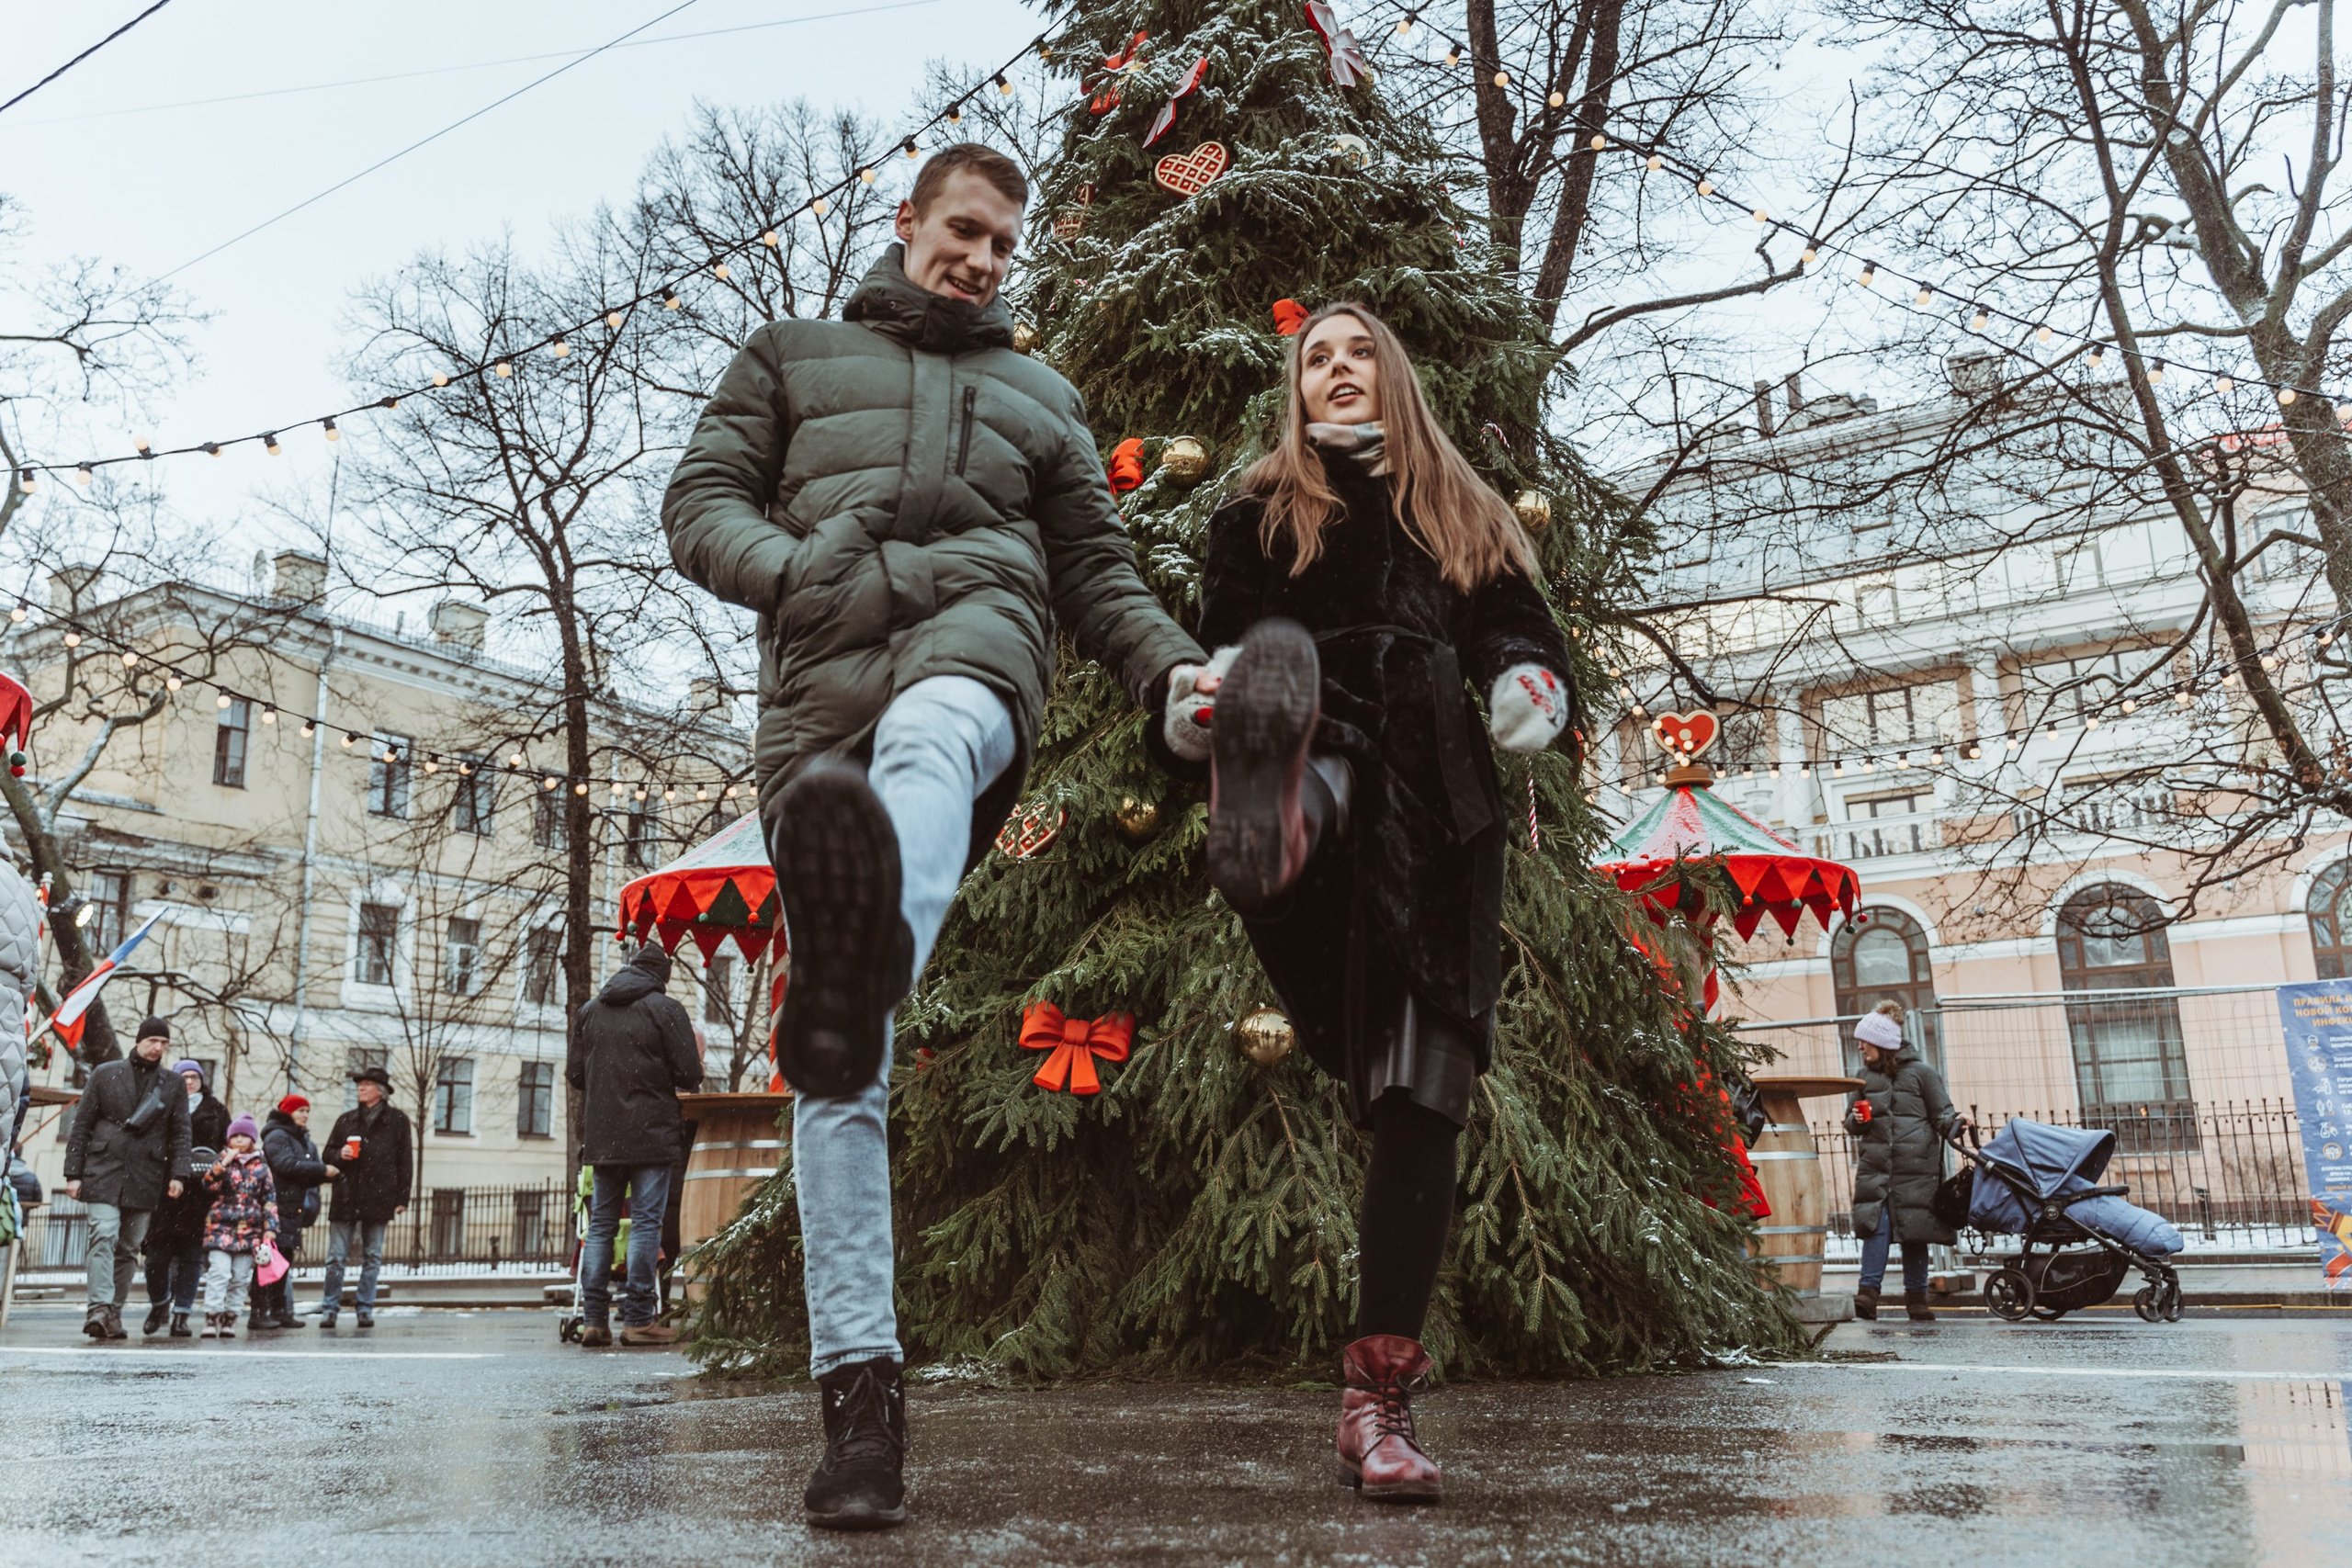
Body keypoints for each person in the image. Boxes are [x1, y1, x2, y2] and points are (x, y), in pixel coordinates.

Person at [662, 142, 1203, 1530]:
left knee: (932, 737)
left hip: (974, 656)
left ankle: (863, 954)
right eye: (963, 230)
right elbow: (698, 503)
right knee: (842, 1079)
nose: (980, 258)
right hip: (813, 708)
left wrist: (1173, 675)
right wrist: (790, 569)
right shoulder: (788, 355)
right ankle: (861, 1412)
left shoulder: (1043, 398)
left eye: (1003, 245)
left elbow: (1094, 570)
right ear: (908, 223)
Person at [1165, 303, 1572, 1504]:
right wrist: (1211, 694)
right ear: (1296, 388)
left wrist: (1525, 680)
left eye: (1355, 353)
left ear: (1390, 374)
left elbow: (1514, 621)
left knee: (1422, 1086)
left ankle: (1376, 1401)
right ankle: (1278, 814)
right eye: (1315, 358)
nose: (1336, 370)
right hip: (1320, 747)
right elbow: (1223, 635)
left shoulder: (1461, 502)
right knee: (1304, 722)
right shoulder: (1260, 505)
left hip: (1438, 808)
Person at [566, 942, 701, 1348]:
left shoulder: (590, 1011)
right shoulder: (666, 1009)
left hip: (603, 1136)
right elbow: (690, 1073)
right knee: (646, 1223)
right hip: (651, 1133)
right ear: (663, 975)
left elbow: (575, 1074)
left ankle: (594, 1320)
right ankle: (640, 1319)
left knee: (602, 1225)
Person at [62, 1016, 192, 1339]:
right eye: (153, 1041)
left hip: (147, 1173)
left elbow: (180, 1133)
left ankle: (113, 1313)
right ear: (139, 1040)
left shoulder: (172, 1084)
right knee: (103, 1234)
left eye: (164, 1043)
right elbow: (82, 1125)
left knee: (130, 1247)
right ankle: (99, 1307)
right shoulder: (106, 1074)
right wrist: (73, 1173)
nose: (158, 1048)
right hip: (102, 1170)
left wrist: (179, 1174)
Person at [1846, 1001, 1967, 1322]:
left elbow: (1942, 1113)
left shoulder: (1923, 1074)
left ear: (1883, 1043)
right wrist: (1857, 1120)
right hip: (1877, 1168)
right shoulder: (1861, 1079)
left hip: (1916, 1169)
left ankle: (1917, 1299)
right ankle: (1867, 1296)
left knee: (1915, 1232)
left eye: (1864, 1040)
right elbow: (1851, 1124)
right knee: (1876, 1227)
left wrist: (1957, 1123)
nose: (1859, 1046)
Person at [317, 1065, 411, 1329]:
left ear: (379, 1092)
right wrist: (340, 1154)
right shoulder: (346, 1120)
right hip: (347, 1194)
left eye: (366, 1084)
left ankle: (365, 1308)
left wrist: (402, 1196)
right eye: (359, 1084)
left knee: (372, 1256)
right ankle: (330, 1308)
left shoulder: (398, 1121)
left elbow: (405, 1161)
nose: (360, 1087)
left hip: (380, 1196)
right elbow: (327, 1155)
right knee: (336, 1256)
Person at [141, 1058, 228, 1337]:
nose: (189, 1082)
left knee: (192, 1258)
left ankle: (182, 1314)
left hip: (199, 1194)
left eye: (195, 1077)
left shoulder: (216, 1111)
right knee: (156, 1255)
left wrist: (221, 1159)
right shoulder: (161, 1106)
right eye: (184, 1077)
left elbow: (229, 1143)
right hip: (165, 1191)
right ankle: (159, 1304)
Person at [198, 1114, 277, 1338]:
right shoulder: (222, 1161)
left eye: (244, 1136)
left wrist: (270, 1227)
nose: (239, 1141)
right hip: (220, 1228)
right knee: (220, 1273)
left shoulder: (262, 1168)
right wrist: (223, 1164)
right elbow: (207, 1185)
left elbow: (269, 1199)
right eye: (235, 1136)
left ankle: (231, 1317)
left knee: (240, 1277)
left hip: (249, 1231)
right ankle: (212, 1316)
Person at [258, 1094, 332, 1329]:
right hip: (276, 1206)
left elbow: (304, 1174)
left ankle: (279, 1311)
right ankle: (260, 1312)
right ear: (288, 1112)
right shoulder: (278, 1136)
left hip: (292, 1207)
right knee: (268, 1260)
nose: (305, 1115)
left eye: (307, 1111)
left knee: (284, 1260)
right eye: (300, 1110)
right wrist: (322, 1170)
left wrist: (321, 1175)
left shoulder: (303, 1140)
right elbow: (286, 1165)